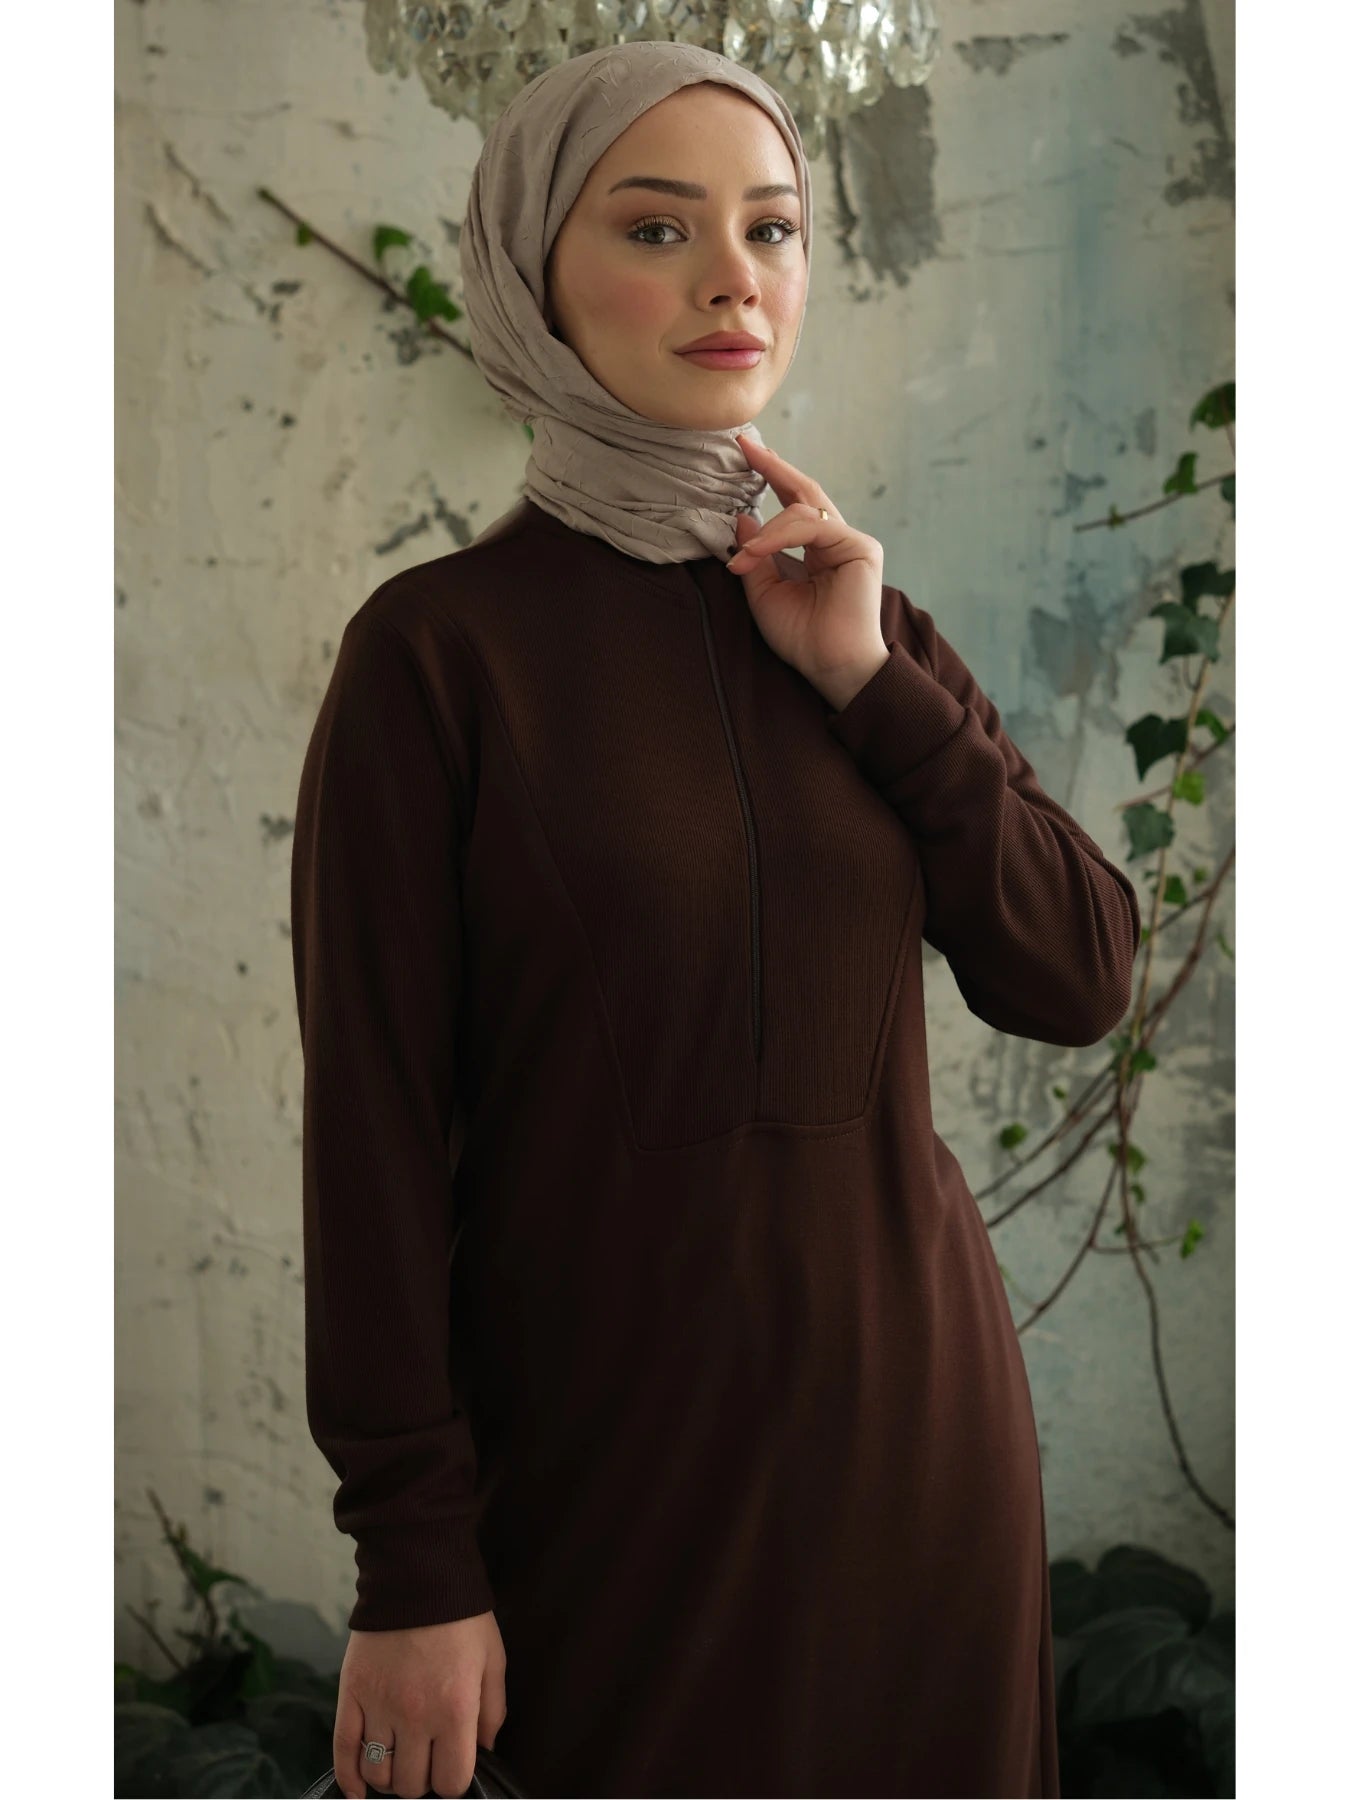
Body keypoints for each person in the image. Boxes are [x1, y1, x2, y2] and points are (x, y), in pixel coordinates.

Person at [290, 38, 1139, 1800]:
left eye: (771, 228)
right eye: (657, 228)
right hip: (611, 1474)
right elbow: (373, 1133)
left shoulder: (857, 620)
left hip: (920, 1455)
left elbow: (1076, 974)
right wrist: (412, 1559)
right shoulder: (437, 656)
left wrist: (867, 683)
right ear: (534, 270)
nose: (733, 279)